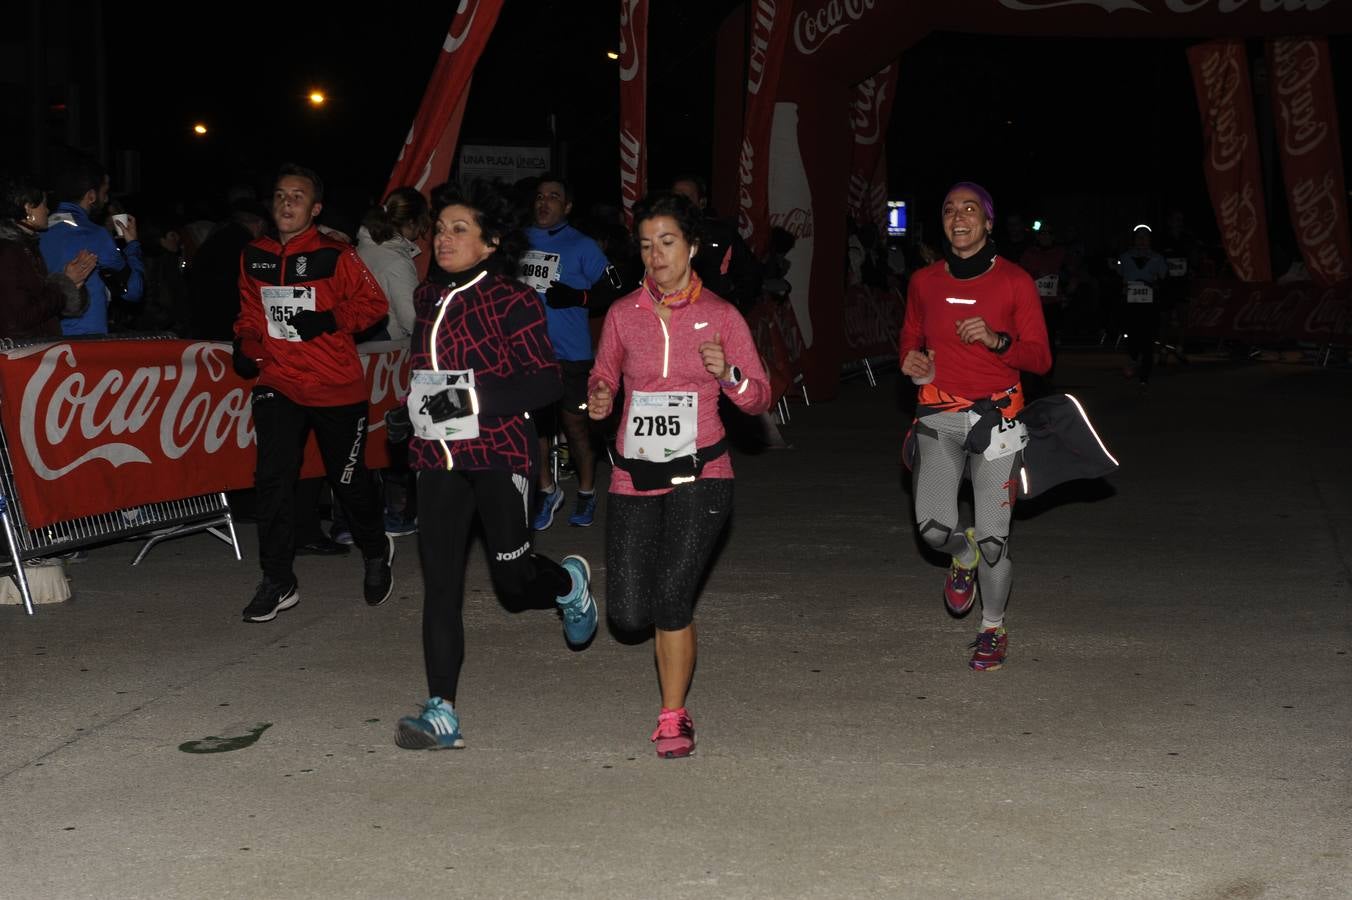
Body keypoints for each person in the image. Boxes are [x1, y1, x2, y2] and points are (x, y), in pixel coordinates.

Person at [388, 180, 596, 751]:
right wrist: (407, 412)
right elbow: (426, 376)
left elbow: (545, 381)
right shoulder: (428, 297)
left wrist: (471, 400)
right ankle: (441, 713)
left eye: (460, 229)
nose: (445, 238)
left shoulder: (513, 299)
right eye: (439, 229)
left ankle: (568, 584)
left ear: (489, 243)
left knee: (513, 579)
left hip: (499, 453)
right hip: (437, 459)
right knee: (441, 587)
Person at [587, 191, 771, 758]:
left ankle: (673, 716)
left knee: (671, 597)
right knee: (627, 613)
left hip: (704, 473)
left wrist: (731, 372)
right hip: (633, 475)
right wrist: (598, 398)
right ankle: (583, 591)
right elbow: (603, 380)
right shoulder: (622, 315)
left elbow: (760, 397)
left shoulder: (721, 316)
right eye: (645, 245)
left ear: (691, 246)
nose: (655, 255)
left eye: (666, 242)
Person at [899, 182, 1050, 672]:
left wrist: (997, 340)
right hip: (938, 416)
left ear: (988, 222)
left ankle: (992, 626)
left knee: (994, 537)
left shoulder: (1015, 282)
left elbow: (1041, 359)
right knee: (934, 531)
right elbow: (909, 340)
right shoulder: (924, 281)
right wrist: (912, 362)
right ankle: (960, 555)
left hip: (998, 421)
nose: (958, 217)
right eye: (948, 210)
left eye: (970, 210)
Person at [232, 163, 393, 623]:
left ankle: (376, 548)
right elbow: (248, 313)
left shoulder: (335, 254)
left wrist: (330, 319)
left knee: (348, 481)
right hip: (278, 380)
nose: (286, 203)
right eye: (280, 195)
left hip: (334, 384)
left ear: (315, 208)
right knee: (273, 478)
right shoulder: (253, 255)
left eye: (297, 197)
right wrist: (245, 345)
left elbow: (374, 305)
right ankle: (278, 579)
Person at [523, 175, 616, 530]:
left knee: (575, 428)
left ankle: (587, 492)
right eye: (540, 196)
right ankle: (548, 490)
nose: (544, 202)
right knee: (535, 427)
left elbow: (613, 289)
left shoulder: (582, 245)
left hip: (570, 353)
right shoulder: (518, 242)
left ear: (567, 206)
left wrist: (577, 297)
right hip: (529, 351)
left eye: (554, 197)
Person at [39, 159, 144, 336]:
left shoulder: (39, 230)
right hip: (85, 340)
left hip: (43, 341)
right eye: (105, 191)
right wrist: (133, 245)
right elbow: (133, 290)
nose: (107, 198)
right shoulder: (93, 234)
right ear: (91, 196)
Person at [0, 175, 94, 339]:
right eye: (44, 204)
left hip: (36, 353)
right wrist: (65, 284)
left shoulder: (27, 246)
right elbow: (21, 317)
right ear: (28, 208)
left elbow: (42, 306)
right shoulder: (9, 252)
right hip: (22, 357)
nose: (48, 210)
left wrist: (73, 285)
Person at [670, 174, 763, 311]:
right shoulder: (657, 234)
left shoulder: (721, 234)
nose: (680, 203)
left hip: (712, 316)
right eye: (676, 197)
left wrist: (733, 305)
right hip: (670, 316)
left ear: (701, 202)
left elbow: (749, 274)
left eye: (687, 198)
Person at [1117, 224, 1168, 386]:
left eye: (1145, 237)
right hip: (1131, 303)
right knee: (1132, 336)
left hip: (1149, 304)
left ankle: (1144, 377)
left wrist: (1155, 284)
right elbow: (1118, 275)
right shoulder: (1124, 258)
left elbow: (1164, 277)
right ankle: (1133, 358)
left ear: (1150, 240)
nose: (1142, 240)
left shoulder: (1158, 258)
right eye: (1139, 237)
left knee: (1148, 339)